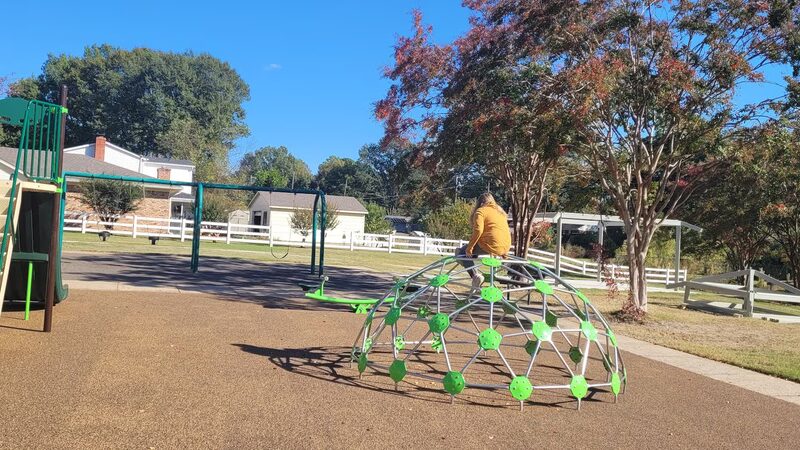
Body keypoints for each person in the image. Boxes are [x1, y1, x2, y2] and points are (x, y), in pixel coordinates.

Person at [456, 192, 512, 288]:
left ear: (480, 203)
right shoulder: (500, 212)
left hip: (489, 245)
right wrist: (504, 251)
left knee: (461, 252)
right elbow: (502, 231)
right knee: (470, 253)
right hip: (505, 247)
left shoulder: (481, 211)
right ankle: (504, 264)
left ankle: (475, 277)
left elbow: (478, 230)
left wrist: (470, 247)